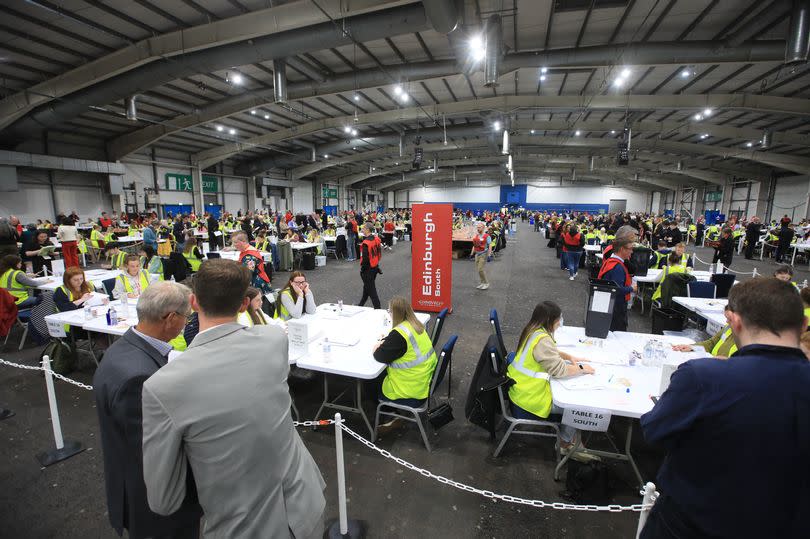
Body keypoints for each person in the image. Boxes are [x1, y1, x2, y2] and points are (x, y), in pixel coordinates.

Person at [141, 260, 326, 538]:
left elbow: (163, 500)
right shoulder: (274, 341)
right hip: (304, 502)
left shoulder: (162, 386)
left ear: (193, 302)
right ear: (243, 304)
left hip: (243, 525)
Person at [640, 278, 810, 539]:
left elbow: (653, 430)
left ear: (734, 320)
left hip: (693, 524)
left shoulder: (703, 377)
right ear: (804, 325)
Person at [93, 281, 202, 539]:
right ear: (170, 318)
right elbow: (156, 451)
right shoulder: (139, 377)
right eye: (187, 317)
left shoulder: (123, 349)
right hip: (156, 506)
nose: (187, 323)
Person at [506, 301, 598, 460]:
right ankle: (564, 443)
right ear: (550, 321)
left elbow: (548, 352)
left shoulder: (533, 329)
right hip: (529, 398)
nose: (560, 323)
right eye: (558, 320)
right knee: (577, 405)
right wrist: (582, 369)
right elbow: (560, 371)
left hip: (520, 389)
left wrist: (569, 357)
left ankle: (570, 438)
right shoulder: (543, 340)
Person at [372, 296, 438, 431]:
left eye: (389, 311)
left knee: (371, 380)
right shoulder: (415, 325)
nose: (389, 313)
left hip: (410, 388)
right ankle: (392, 414)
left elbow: (380, 356)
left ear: (395, 313)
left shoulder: (399, 334)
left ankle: (391, 415)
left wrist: (377, 346)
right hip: (423, 379)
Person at [597, 238, 637, 331]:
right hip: (616, 307)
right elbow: (616, 289)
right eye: (630, 249)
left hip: (608, 304)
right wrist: (631, 288)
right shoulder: (617, 267)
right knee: (617, 332)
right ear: (622, 249)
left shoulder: (610, 261)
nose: (631, 252)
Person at [671, 324, 737, 359]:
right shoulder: (728, 327)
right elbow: (712, 343)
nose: (727, 321)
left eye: (730, 318)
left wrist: (727, 362)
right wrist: (692, 347)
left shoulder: (745, 340)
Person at [358, 222, 383, 309]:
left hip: (368, 269)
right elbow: (378, 253)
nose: (362, 230)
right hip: (375, 267)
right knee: (367, 288)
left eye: (363, 228)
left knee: (372, 291)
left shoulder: (366, 243)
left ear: (367, 229)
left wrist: (363, 269)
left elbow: (365, 259)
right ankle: (360, 306)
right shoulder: (376, 239)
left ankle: (378, 308)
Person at [470, 221, 492, 289]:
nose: (478, 228)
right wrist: (471, 253)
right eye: (477, 227)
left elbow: (490, 245)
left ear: (483, 228)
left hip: (483, 254)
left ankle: (486, 283)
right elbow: (474, 245)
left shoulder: (487, 236)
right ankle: (482, 283)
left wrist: (489, 255)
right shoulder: (477, 235)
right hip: (477, 254)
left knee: (480, 269)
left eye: (479, 227)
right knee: (479, 270)